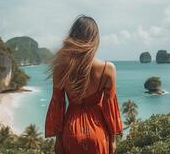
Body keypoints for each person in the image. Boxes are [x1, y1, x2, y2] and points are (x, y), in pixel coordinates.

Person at [45, 15, 123, 154]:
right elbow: (110, 111)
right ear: (95, 39)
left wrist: (58, 141)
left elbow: (58, 106)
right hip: (98, 134)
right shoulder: (107, 69)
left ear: (72, 37)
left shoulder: (60, 68)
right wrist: (112, 141)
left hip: (70, 132)